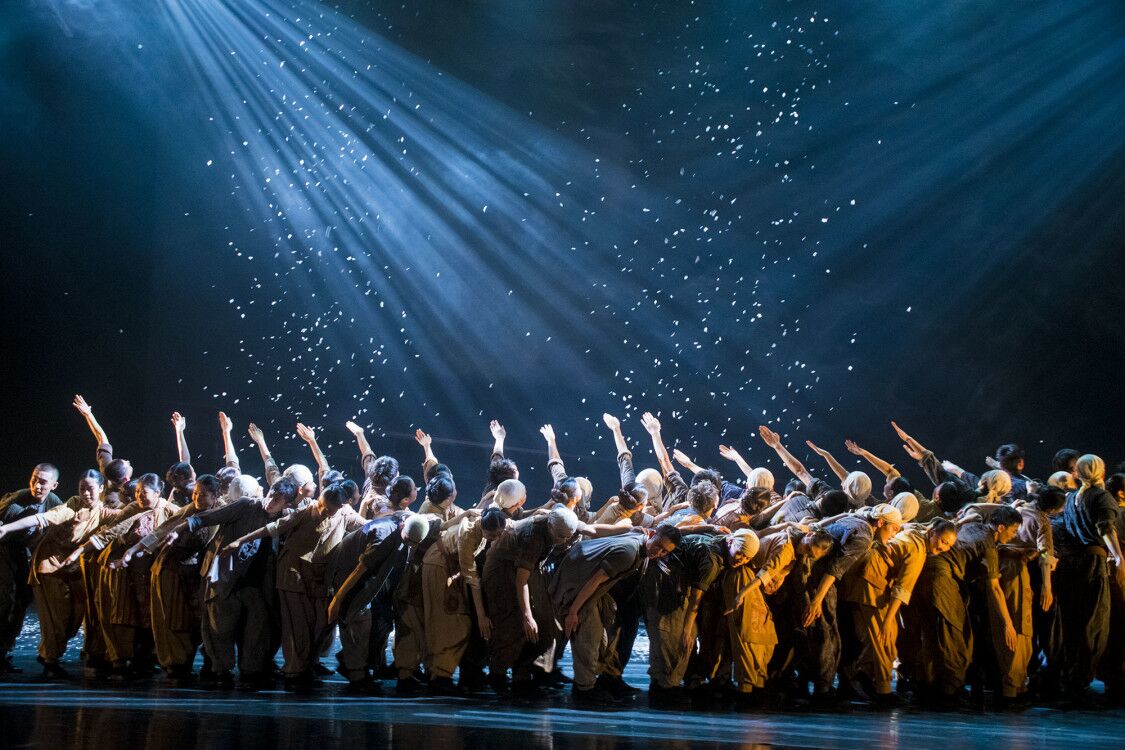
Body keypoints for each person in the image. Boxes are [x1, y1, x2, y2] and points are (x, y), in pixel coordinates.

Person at [220, 481, 364, 690]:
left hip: (319, 577)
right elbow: (274, 528)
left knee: (318, 624)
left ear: (340, 507)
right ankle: (294, 671)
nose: (322, 511)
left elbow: (366, 525)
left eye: (328, 510)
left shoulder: (344, 514)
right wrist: (240, 541)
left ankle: (306, 665)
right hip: (293, 573)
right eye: (321, 505)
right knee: (297, 625)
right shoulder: (306, 511)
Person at [551, 525, 681, 703]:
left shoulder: (642, 542)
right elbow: (594, 581)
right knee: (588, 637)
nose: (658, 552)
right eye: (658, 545)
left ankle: (590, 683)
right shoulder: (628, 553)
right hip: (577, 583)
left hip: (589, 583)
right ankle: (584, 689)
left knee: (599, 639)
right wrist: (573, 611)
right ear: (651, 534)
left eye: (664, 551)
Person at [841, 518, 958, 706]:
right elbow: (903, 589)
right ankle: (883, 691)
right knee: (884, 638)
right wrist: (888, 621)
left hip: (872, 580)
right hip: (871, 582)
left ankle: (864, 675)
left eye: (949, 545)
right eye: (943, 541)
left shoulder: (914, 534)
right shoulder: (917, 551)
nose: (944, 547)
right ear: (932, 533)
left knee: (886, 636)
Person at [482, 506, 588, 695]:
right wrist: (527, 616)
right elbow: (521, 581)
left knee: (547, 625)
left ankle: (524, 673)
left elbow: (591, 529)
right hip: (502, 570)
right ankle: (497, 674)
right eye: (560, 536)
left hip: (526, 569)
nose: (563, 541)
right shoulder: (533, 537)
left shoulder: (558, 520)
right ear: (550, 526)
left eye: (567, 537)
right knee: (512, 624)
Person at [0, 468, 86, 678]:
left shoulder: (54, 501)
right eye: (34, 480)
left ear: (54, 485)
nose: (37, 486)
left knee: (21, 601)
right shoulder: (15, 501)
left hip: (27, 553)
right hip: (5, 550)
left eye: (43, 483)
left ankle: (4, 649)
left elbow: (57, 521)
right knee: (5, 599)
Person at [1053, 454, 1125, 700]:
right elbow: (1105, 527)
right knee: (1093, 624)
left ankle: (1072, 680)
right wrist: (1118, 556)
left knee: (1073, 623)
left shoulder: (1071, 498)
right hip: (1092, 563)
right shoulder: (1100, 496)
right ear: (1101, 472)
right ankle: (1080, 684)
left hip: (1071, 564)